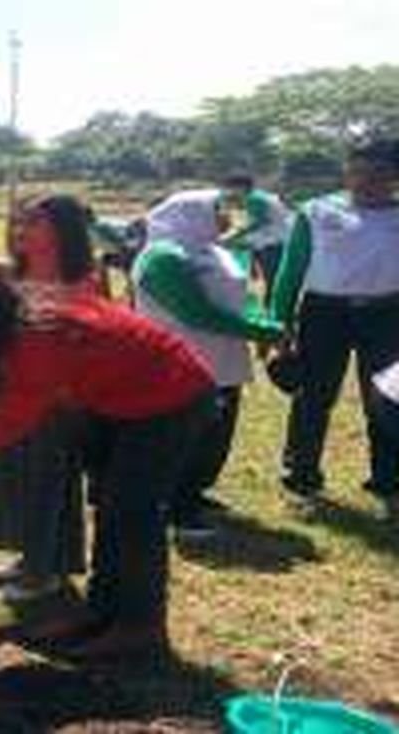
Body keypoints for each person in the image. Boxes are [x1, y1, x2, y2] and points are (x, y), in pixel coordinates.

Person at [0, 256, 214, 657]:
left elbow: (6, 422)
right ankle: (102, 614)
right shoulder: (19, 313)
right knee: (114, 511)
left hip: (171, 398)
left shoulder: (38, 332)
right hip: (124, 399)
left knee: (132, 516)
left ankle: (139, 627)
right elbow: (1, 360)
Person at [0, 195, 96, 601]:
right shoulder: (22, 272)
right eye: (17, 223)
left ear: (62, 232)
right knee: (15, 478)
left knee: (45, 482)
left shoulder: (81, 279)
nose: (20, 231)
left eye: (32, 224)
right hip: (11, 393)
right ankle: (30, 559)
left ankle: (41, 573)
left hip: (53, 401)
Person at [133, 191, 284, 537]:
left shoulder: (219, 251)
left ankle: (194, 492)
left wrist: (261, 322)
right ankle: (177, 507)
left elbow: (243, 299)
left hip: (223, 361)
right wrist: (263, 331)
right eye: (217, 210)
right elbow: (197, 314)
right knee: (185, 439)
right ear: (190, 213)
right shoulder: (163, 257)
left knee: (215, 436)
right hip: (181, 364)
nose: (226, 217)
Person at [270, 140, 399, 520]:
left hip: (388, 315)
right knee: (312, 397)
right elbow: (290, 271)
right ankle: (302, 478)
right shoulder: (316, 211)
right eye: (357, 172)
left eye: (377, 174)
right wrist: (281, 323)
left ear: (395, 176)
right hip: (325, 314)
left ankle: (389, 483)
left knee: (388, 399)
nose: (364, 182)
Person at [217, 174, 294, 302]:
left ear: (241, 187)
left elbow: (256, 222)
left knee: (272, 278)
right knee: (268, 277)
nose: (229, 192)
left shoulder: (254, 199)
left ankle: (272, 305)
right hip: (273, 240)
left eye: (230, 188)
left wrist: (230, 237)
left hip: (273, 242)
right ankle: (271, 303)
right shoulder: (258, 196)